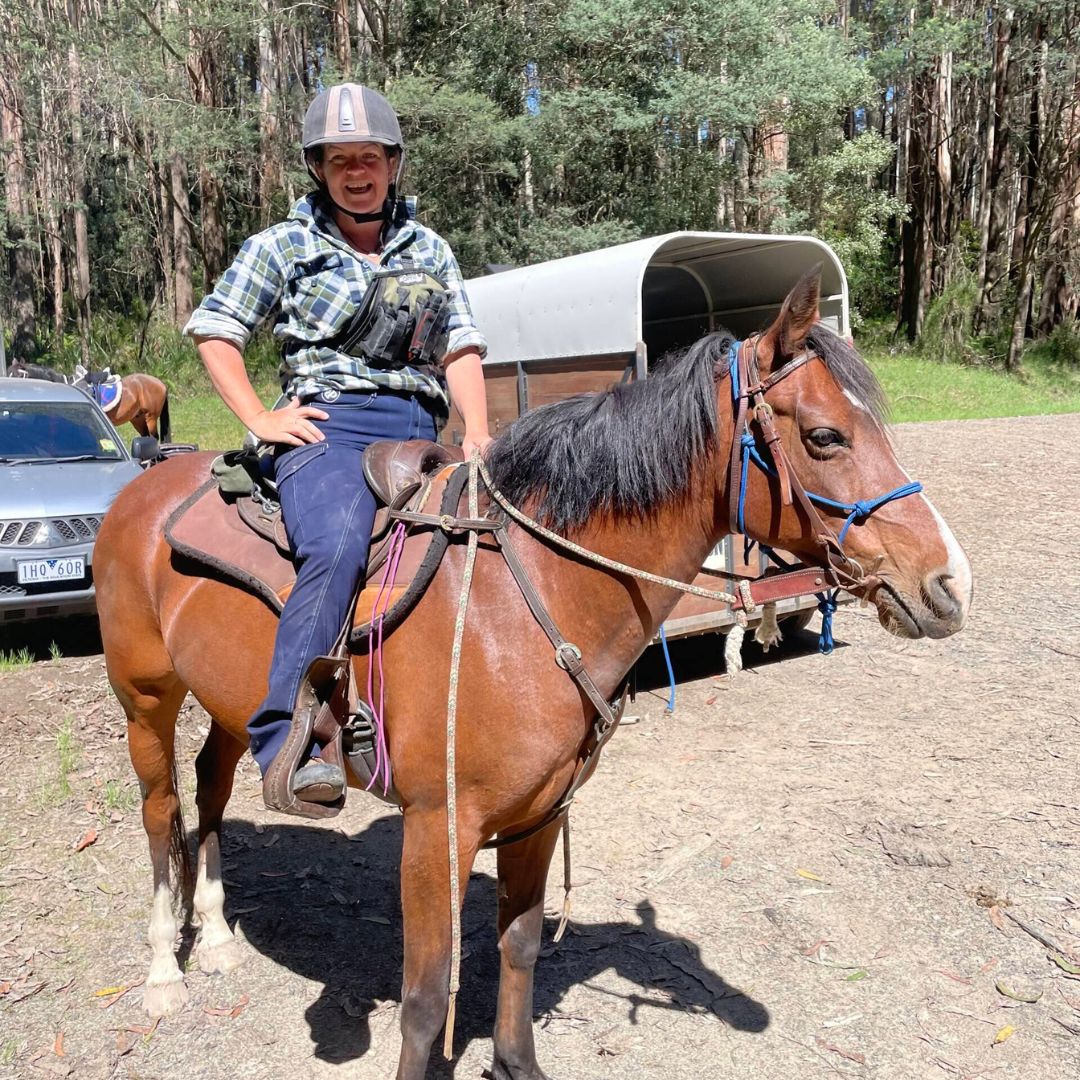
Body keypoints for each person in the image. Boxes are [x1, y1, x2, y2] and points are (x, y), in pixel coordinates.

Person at [184, 82, 491, 809]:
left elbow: (462, 346)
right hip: (331, 425)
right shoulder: (283, 245)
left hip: (423, 427)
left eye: (370, 157)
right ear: (318, 169)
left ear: (394, 164)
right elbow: (216, 329)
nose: (357, 170)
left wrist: (477, 432)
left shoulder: (430, 249)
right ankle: (293, 737)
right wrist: (261, 416)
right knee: (337, 543)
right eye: (339, 158)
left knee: (493, 539)